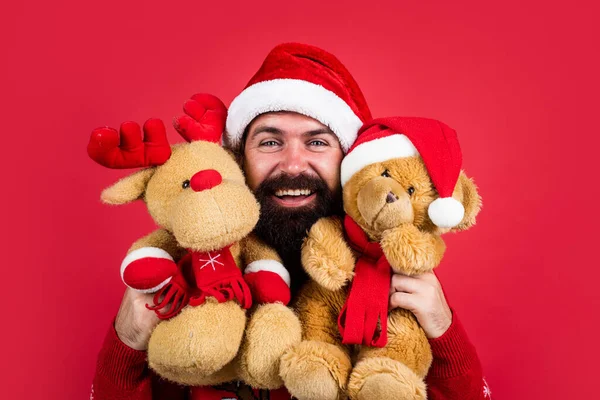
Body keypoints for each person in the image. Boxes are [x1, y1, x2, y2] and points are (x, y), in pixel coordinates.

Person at [91, 43, 491, 400]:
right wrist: (127, 341)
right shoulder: (186, 272)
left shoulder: (391, 275)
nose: (293, 164)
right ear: (237, 158)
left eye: (317, 142)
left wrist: (442, 329)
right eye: (270, 142)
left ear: (349, 161)